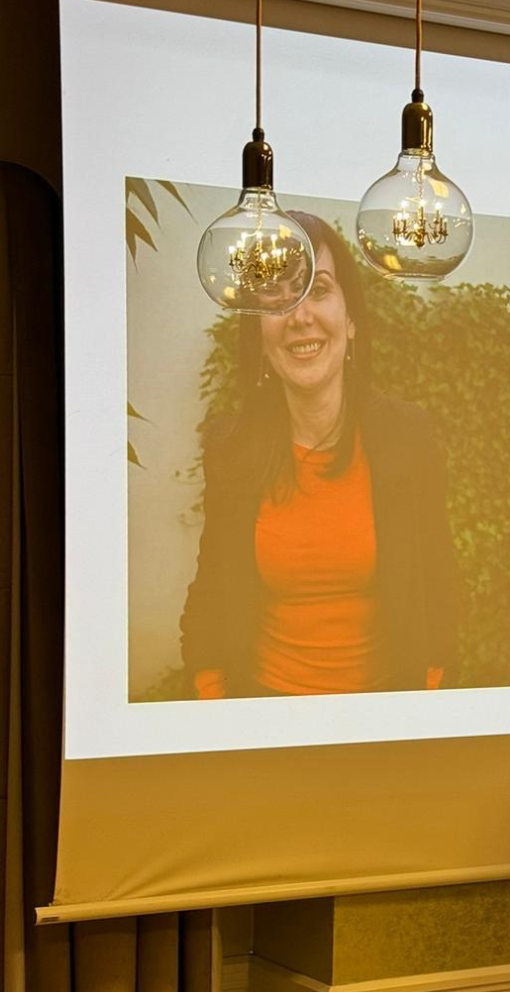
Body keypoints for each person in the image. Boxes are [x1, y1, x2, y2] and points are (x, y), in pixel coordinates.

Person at [180, 211, 456, 699]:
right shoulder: (231, 447)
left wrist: (426, 698)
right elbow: (213, 594)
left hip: (384, 715)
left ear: (351, 320)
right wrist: (214, 703)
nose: (299, 315)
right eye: (276, 296)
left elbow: (438, 581)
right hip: (263, 714)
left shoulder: (407, 436)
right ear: (258, 332)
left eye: (319, 289)